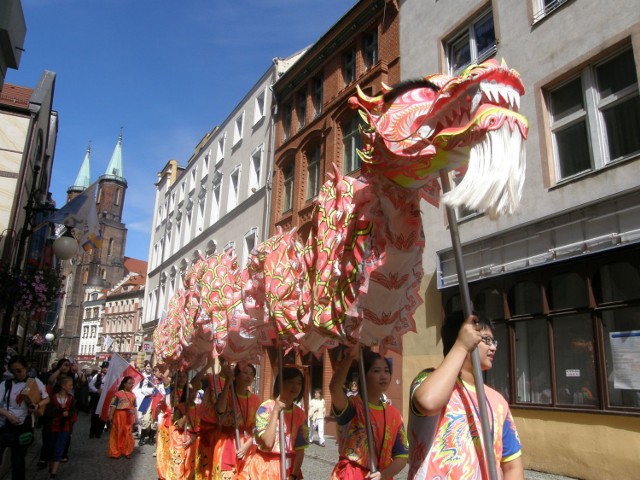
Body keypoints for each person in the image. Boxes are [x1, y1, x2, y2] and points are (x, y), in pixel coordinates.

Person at [408, 312, 524, 480]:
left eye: (494, 341)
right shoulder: (427, 380)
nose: (493, 347)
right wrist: (461, 346)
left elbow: (512, 465)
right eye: (486, 340)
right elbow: (428, 402)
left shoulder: (497, 400)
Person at [330, 348, 408, 480]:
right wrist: (349, 357)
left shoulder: (394, 414)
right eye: (376, 371)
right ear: (363, 375)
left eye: (387, 371)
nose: (383, 376)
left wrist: (384, 474)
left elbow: (401, 456)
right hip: (351, 475)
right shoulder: (352, 407)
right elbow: (334, 388)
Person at [246, 366, 309, 480]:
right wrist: (275, 411)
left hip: (290, 468)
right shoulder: (265, 408)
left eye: (299, 383)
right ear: (280, 384)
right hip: (265, 467)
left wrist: (294, 474)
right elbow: (268, 443)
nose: (295, 387)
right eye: (290, 382)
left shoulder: (300, 414)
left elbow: (300, 449)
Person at [0, 355, 50, 480]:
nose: (16, 373)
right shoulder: (5, 384)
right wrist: (8, 415)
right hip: (4, 425)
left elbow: (46, 399)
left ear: (26, 368)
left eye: (19, 370)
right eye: (13, 371)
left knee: (18, 461)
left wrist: (37, 405)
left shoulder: (34, 382)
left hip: (24, 427)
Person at [212, 361, 260, 480]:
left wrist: (246, 446)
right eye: (245, 373)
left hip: (248, 446)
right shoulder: (227, 395)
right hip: (227, 443)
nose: (248, 376)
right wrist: (228, 382)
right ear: (237, 375)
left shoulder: (256, 400)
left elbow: (258, 427)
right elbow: (219, 410)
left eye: (251, 374)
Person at [42, 375, 78, 480]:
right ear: (63, 386)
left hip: (64, 427)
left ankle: (53, 474)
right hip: (52, 426)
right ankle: (51, 467)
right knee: (51, 448)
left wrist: (69, 414)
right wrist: (59, 411)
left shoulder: (71, 399)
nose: (71, 387)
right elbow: (47, 413)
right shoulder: (53, 398)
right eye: (70, 385)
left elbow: (73, 412)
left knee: (59, 449)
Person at [107, 375, 137, 459]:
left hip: (129, 416)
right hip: (119, 415)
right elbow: (113, 405)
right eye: (129, 383)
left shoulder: (133, 395)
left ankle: (126, 451)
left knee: (127, 433)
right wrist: (110, 415)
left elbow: (134, 406)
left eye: (132, 383)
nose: (131, 385)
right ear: (124, 384)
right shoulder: (118, 394)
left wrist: (136, 417)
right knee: (118, 432)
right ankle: (115, 452)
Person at [88, 361, 108, 438]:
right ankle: (92, 431)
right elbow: (90, 385)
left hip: (106, 397)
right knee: (95, 414)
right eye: (104, 367)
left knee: (103, 414)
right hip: (98, 396)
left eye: (106, 368)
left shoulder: (110, 377)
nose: (105, 369)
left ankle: (99, 432)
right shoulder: (97, 376)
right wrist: (97, 390)